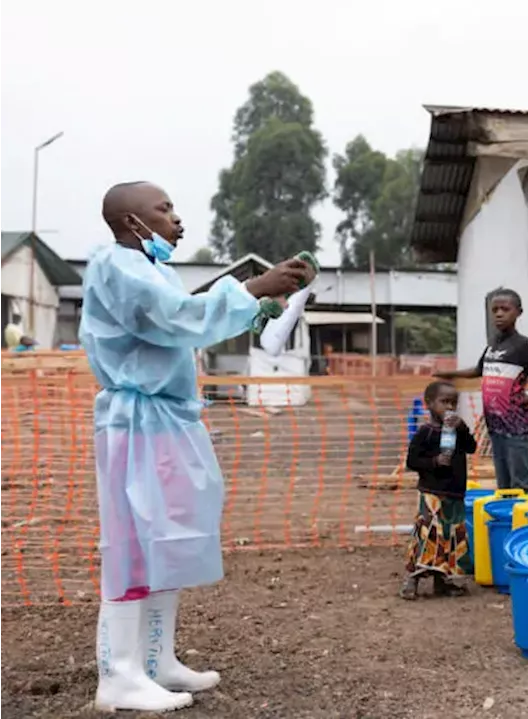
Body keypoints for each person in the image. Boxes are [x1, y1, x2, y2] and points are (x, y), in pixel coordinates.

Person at [82, 181, 313, 713]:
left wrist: (253, 310)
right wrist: (254, 286)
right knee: (133, 544)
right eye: (163, 210)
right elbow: (176, 317)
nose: (176, 220)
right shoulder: (116, 266)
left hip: (169, 419)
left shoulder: (156, 270)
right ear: (131, 221)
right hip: (135, 421)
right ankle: (119, 675)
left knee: (166, 538)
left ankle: (156, 659)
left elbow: (183, 325)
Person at [436, 289, 528, 491]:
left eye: (505, 309)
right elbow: (479, 370)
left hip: (515, 427)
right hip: (495, 427)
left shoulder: (525, 346)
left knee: (520, 485)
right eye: (494, 309)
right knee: (503, 486)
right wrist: (450, 374)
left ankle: (522, 521)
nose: (499, 314)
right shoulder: (493, 345)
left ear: (518, 312)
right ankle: (507, 521)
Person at [401, 380, 478, 600]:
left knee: (451, 538)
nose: (449, 407)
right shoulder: (425, 433)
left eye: (453, 403)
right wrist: (434, 461)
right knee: (428, 537)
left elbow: (471, 447)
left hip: (455, 494)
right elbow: (412, 460)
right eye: (444, 402)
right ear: (429, 404)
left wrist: (463, 428)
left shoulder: (456, 431)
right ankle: (412, 579)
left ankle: (441, 581)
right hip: (432, 494)